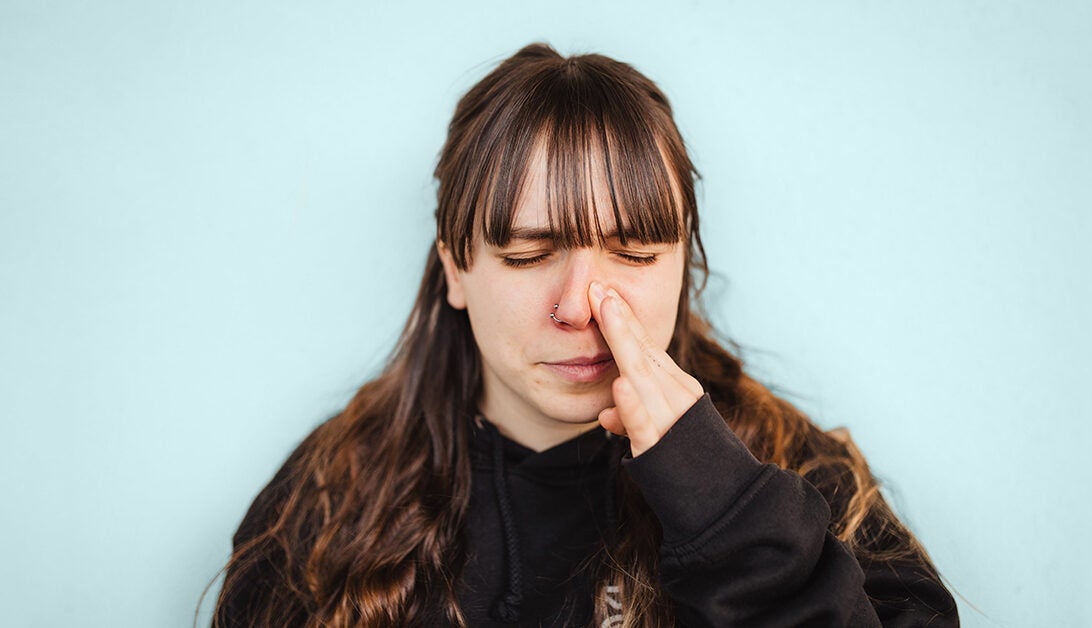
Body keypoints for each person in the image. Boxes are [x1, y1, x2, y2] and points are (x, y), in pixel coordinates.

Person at [209, 43, 960, 627]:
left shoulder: (801, 481)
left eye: (634, 253)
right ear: (455, 270)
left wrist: (722, 504)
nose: (582, 307)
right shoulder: (324, 502)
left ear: (682, 262)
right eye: (530, 254)